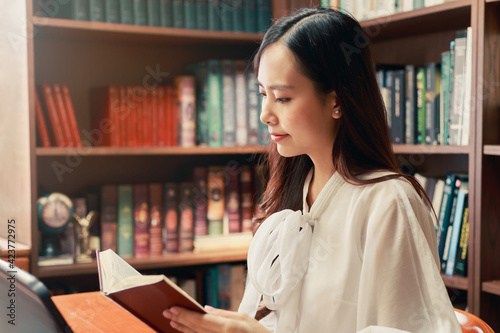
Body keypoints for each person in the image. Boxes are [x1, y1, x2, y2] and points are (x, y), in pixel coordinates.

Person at [162, 7, 462, 333]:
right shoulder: (293, 194)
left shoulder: (388, 202)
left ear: (337, 102)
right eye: (263, 95)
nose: (265, 114)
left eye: (283, 98)